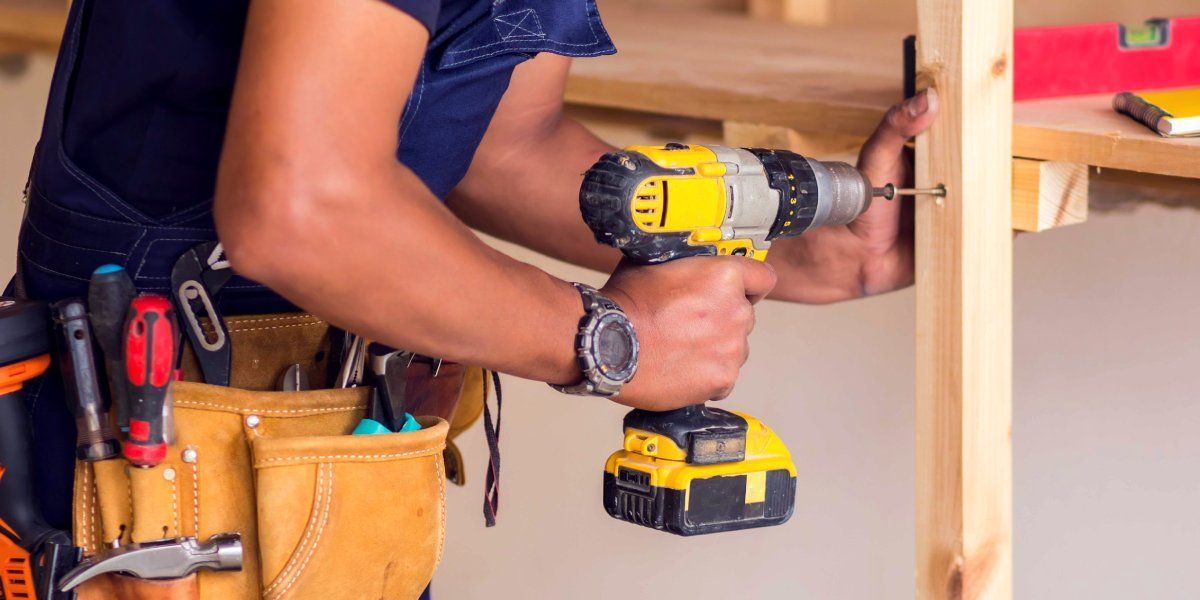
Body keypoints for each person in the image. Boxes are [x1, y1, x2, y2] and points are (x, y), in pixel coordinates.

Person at [14, 0, 936, 536]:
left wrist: (794, 250)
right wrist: (612, 339)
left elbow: (498, 142)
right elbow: (300, 210)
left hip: (339, 439)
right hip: (147, 426)